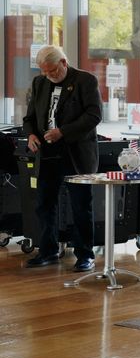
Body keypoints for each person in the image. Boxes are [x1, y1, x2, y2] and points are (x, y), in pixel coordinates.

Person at [22, 45, 102, 272]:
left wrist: (63, 131)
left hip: (75, 153)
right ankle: (47, 251)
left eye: (53, 71)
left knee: (80, 206)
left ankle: (85, 255)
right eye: (45, 72)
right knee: (44, 204)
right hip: (46, 153)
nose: (49, 76)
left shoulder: (86, 81)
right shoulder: (40, 83)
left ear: (64, 63)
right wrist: (30, 135)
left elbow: (94, 115)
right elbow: (29, 117)